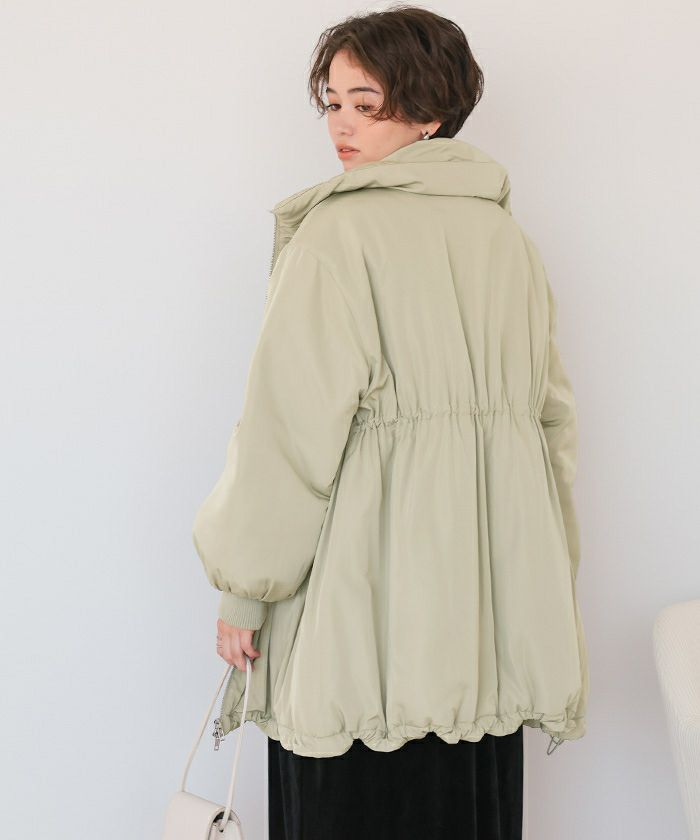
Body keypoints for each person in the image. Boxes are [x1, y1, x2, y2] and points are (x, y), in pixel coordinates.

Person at [193, 5, 589, 838]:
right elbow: (552, 435)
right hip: (485, 640)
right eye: (332, 103)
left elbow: (286, 437)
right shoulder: (508, 241)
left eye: (365, 105)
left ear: (430, 111)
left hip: (357, 636)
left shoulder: (335, 237)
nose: (341, 125)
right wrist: (539, 597)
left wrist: (244, 589)